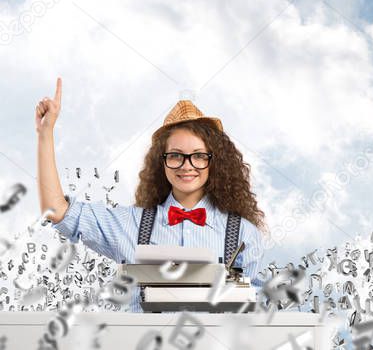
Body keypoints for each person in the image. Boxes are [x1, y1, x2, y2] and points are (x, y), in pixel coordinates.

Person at [35, 77, 267, 311]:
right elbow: (56, 210)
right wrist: (46, 133)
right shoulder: (131, 224)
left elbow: (256, 316)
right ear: (161, 162)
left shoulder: (243, 234)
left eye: (198, 155)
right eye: (176, 155)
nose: (187, 166)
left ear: (214, 162)